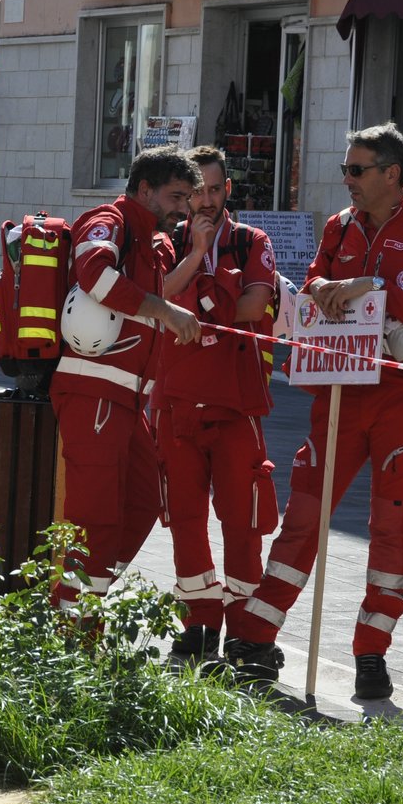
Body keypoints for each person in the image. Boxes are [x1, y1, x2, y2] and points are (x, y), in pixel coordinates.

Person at [243, 122, 403, 700]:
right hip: (339, 390)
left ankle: (372, 653)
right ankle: (256, 637)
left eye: (357, 169)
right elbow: (318, 274)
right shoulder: (340, 226)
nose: (347, 179)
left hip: (401, 398)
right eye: (346, 168)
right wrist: (320, 288)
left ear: (392, 175)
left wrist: (381, 291)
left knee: (389, 526)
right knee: (305, 513)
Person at [50, 144, 201, 611]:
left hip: (126, 401)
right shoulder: (109, 220)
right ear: (144, 189)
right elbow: (93, 272)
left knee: (139, 503)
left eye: (187, 200)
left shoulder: (151, 242)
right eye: (176, 197)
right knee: (94, 517)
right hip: (93, 392)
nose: (183, 209)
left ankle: (82, 604)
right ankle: (69, 632)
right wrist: (164, 309)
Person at [154, 145, 283, 678]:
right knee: (185, 520)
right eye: (194, 192)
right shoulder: (168, 243)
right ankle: (198, 625)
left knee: (243, 520)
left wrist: (198, 298)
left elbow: (256, 306)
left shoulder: (253, 241)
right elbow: (153, 296)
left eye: (212, 190)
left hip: (236, 405)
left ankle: (244, 631)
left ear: (227, 190)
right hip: (176, 404)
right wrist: (196, 265)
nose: (202, 201)